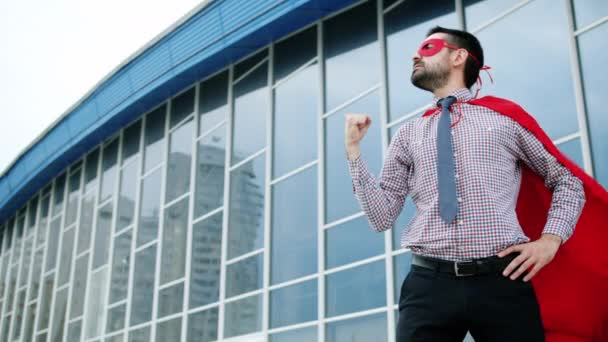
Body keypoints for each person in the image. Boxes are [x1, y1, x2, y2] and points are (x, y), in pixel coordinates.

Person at [344, 26, 608, 341]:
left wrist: (550, 240)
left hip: (503, 279)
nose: (415, 55)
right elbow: (381, 216)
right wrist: (354, 152)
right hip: (429, 284)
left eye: (428, 47)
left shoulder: (505, 119)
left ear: (458, 56)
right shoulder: (407, 135)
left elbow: (565, 180)